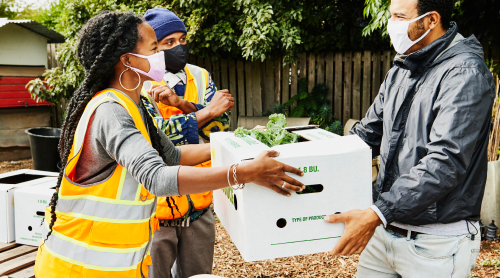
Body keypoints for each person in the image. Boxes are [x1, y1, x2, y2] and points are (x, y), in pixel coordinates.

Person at [34, 11, 305, 278]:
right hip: (77, 269)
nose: (162, 58)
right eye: (154, 49)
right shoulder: (110, 111)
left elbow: (173, 155)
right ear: (128, 60)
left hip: (109, 266)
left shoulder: (132, 105)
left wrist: (238, 149)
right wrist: (244, 174)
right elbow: (156, 177)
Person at [323, 0, 496, 277]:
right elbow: (365, 135)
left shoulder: (464, 73)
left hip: (435, 244)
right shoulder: (401, 69)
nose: (391, 25)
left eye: (400, 16)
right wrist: (309, 159)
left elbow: (446, 161)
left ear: (431, 20)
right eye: (391, 16)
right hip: (382, 233)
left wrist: (377, 213)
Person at [138, 8, 232, 278]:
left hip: (199, 205)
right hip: (156, 212)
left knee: (199, 274)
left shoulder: (200, 75)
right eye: (169, 42)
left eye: (182, 39)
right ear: (154, 49)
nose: (179, 47)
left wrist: (181, 104)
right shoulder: (140, 83)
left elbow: (222, 124)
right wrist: (206, 111)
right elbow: (159, 138)